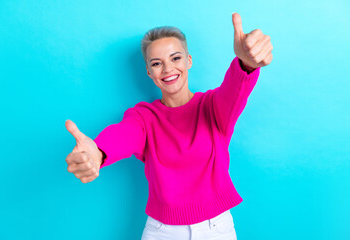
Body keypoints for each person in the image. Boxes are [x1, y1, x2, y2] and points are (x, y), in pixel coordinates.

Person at [65, 12, 273, 240]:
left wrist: (247, 64)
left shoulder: (213, 107)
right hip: (162, 232)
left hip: (217, 230)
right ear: (149, 72)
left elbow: (235, 90)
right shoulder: (144, 117)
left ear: (188, 61)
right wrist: (98, 152)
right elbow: (124, 135)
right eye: (156, 63)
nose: (167, 69)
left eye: (175, 58)